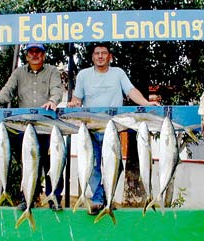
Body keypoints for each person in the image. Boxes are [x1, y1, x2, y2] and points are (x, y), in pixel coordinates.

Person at [67, 42, 160, 215]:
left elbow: (131, 91)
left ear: (110, 56)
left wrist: (146, 104)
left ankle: (103, 197)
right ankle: (98, 199)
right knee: (92, 165)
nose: (100, 56)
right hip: (90, 129)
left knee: (116, 166)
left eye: (104, 53)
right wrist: (74, 103)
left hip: (112, 130)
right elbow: (77, 99)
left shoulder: (118, 73)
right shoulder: (83, 75)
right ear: (92, 57)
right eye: (97, 53)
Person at [0, 43, 64, 211]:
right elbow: (7, 91)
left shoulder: (52, 71)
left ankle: (54, 198)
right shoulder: (19, 73)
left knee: (52, 164)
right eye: (31, 52)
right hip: (25, 130)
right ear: (26, 56)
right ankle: (29, 198)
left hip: (47, 127)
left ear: (44, 55)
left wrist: (53, 100)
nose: (34, 55)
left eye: (38, 52)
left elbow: (57, 89)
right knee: (27, 165)